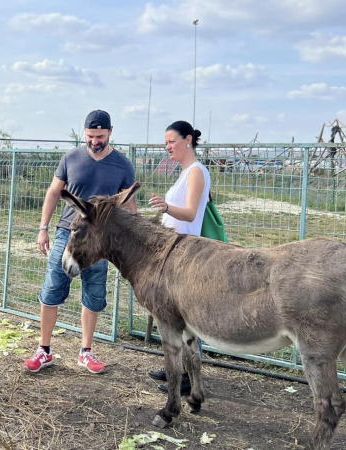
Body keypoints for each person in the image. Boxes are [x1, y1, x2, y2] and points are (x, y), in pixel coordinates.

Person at [23, 110, 136, 374]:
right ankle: (44, 350)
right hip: (67, 234)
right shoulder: (71, 158)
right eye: (90, 136)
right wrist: (43, 228)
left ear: (110, 132)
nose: (95, 141)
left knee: (94, 293)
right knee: (52, 289)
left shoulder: (121, 164)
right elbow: (53, 192)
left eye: (100, 136)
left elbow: (130, 204)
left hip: (99, 241)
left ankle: (86, 351)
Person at [146, 120, 208, 394]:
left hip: (186, 253)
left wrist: (167, 206)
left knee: (184, 318)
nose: (168, 147)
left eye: (171, 141)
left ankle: (186, 377)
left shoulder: (196, 172)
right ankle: (177, 368)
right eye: (166, 143)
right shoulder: (185, 173)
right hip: (173, 251)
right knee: (174, 316)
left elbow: (191, 213)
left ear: (188, 140)